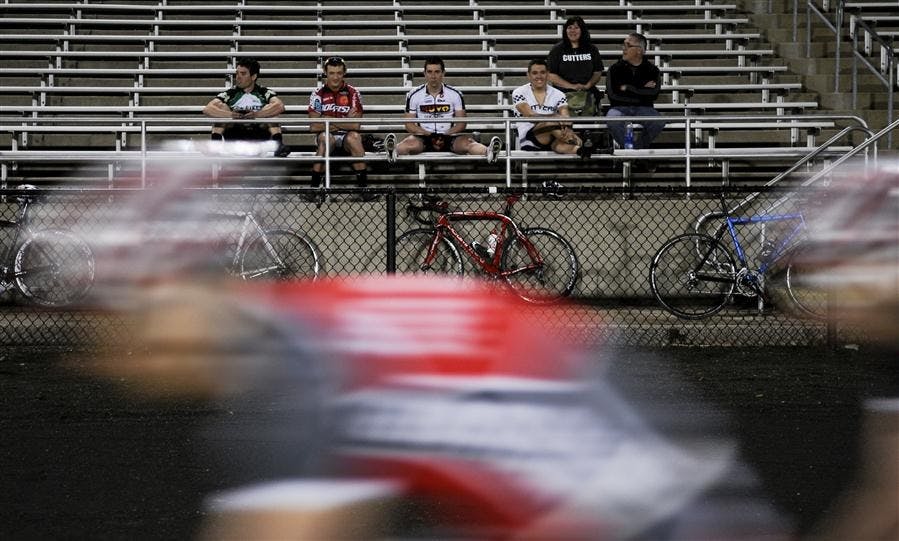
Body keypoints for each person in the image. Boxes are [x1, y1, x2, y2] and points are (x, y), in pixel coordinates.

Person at [383, 58, 502, 164]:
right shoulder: (413, 95)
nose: (433, 76)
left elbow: (462, 123)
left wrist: (446, 133)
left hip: (449, 136)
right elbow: (409, 125)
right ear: (424, 73)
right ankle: (393, 150)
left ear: (443, 73)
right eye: (429, 72)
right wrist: (427, 134)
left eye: (437, 72)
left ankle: (489, 152)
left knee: (467, 142)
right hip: (423, 137)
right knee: (409, 142)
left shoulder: (455, 94)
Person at [203, 57, 289, 157]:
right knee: (221, 107)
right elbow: (207, 109)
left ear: (253, 76)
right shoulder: (230, 93)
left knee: (271, 109)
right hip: (235, 135)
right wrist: (231, 114)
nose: (238, 77)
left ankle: (278, 146)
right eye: (237, 73)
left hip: (258, 136)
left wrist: (257, 114)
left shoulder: (263, 92)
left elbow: (280, 106)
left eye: (243, 74)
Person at [307, 56, 369, 191]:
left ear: (344, 73)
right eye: (331, 73)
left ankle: (364, 189)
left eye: (339, 73)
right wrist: (345, 119)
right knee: (325, 138)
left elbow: (356, 125)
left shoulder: (353, 93)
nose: (335, 77)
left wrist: (326, 118)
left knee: (355, 137)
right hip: (327, 136)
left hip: (348, 138)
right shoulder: (317, 94)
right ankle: (313, 188)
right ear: (325, 73)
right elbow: (314, 126)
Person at [511, 58, 586, 156]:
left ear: (548, 74)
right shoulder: (519, 92)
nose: (539, 76)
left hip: (556, 138)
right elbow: (529, 115)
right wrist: (555, 117)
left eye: (542, 72)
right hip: (530, 139)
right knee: (550, 122)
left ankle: (583, 150)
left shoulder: (559, 94)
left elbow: (565, 116)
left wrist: (568, 128)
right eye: (535, 73)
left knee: (560, 145)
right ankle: (578, 141)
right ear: (528, 75)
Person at [605, 33, 666, 150]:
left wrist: (628, 88)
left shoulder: (652, 70)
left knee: (658, 122)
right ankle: (634, 153)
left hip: (644, 108)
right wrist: (641, 89)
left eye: (628, 45)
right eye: (623, 45)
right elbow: (613, 95)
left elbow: (653, 94)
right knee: (612, 119)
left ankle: (636, 150)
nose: (624, 49)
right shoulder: (614, 69)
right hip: (619, 108)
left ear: (639, 50)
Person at [547, 16, 604, 117]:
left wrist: (587, 85)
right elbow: (551, 75)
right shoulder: (557, 50)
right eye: (570, 27)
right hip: (563, 93)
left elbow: (597, 72)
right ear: (565, 30)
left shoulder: (592, 49)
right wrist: (572, 86)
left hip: (587, 91)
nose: (572, 31)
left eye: (576, 28)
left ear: (582, 30)